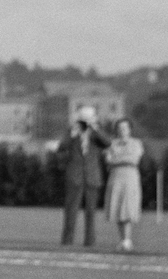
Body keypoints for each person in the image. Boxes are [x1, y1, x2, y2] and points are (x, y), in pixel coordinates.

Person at [57, 104, 110, 247]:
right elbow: (61, 147)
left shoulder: (96, 133)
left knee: (91, 212)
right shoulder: (72, 132)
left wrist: (95, 127)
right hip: (74, 177)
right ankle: (67, 241)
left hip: (92, 177)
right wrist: (73, 132)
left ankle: (90, 241)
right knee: (71, 211)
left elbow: (107, 143)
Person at [104, 117, 144, 252]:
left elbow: (134, 160)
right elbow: (108, 160)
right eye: (119, 128)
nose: (122, 131)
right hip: (115, 179)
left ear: (130, 129)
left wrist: (117, 159)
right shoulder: (112, 144)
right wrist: (120, 159)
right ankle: (124, 240)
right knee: (117, 209)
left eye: (125, 128)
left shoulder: (136, 143)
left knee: (127, 209)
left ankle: (127, 240)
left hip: (130, 178)